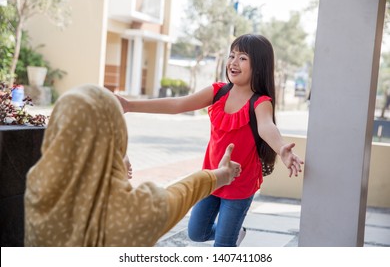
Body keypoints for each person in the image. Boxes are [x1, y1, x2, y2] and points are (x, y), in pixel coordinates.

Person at [115, 34, 304, 247]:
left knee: (223, 245)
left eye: (242, 58)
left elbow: (267, 127)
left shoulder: (260, 102)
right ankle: (235, 233)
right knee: (196, 232)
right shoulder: (217, 92)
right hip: (211, 177)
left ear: (258, 65)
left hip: (239, 184)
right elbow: (178, 104)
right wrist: (130, 105)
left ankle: (229, 237)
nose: (233, 62)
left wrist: (282, 149)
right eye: (232, 55)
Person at [24, 84, 241, 247]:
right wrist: (220, 175)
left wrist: (117, 158)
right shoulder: (128, 212)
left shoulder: (37, 183)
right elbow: (177, 196)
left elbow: (84, 155)